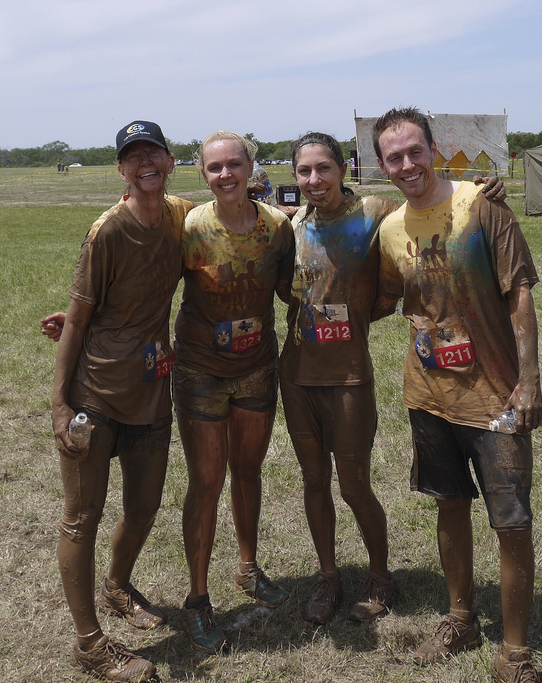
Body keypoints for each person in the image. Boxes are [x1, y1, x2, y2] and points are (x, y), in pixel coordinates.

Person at [285, 132, 506, 626]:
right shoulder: (292, 222)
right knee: (313, 480)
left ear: (343, 169)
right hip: (296, 373)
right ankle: (328, 576)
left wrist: (481, 189)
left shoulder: (376, 211)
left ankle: (380, 575)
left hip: (348, 374)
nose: (314, 180)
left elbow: (425, 202)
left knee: (353, 485)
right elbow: (286, 287)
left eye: (324, 168)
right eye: (304, 171)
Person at [371, 107, 542, 682]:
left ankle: (514, 652)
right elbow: (389, 298)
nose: (406, 164)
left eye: (414, 151)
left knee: (512, 519)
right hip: (429, 393)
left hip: (495, 393)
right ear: (381, 165)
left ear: (434, 148)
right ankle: (461, 619)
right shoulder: (392, 228)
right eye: (393, 157)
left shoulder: (482, 205)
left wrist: (530, 381)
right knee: (449, 503)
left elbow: (519, 293)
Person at [46, 120, 190, 683]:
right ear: (121, 170)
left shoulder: (181, 217)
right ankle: (88, 645)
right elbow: (77, 319)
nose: (145, 162)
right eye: (134, 156)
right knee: (81, 517)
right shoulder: (106, 231)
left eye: (153, 152)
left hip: (152, 389)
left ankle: (117, 585)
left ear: (170, 160)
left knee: (145, 504)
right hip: (96, 394)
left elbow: (246, 214)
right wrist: (60, 406)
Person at [174, 131, 293, 653]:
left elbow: (295, 288)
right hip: (200, 368)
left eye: (234, 165)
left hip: (257, 368)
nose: (225, 175)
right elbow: (152, 285)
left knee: (248, 471)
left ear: (251, 167)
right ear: (203, 175)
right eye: (214, 168)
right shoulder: (190, 227)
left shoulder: (277, 227)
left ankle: (248, 567)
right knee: (206, 482)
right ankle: (198, 599)